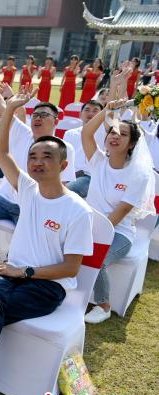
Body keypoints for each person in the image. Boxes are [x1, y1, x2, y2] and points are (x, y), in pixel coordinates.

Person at [0, 85, 93, 395]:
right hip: (11, 275)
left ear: (64, 165)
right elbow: (2, 152)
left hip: (48, 286)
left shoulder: (78, 211)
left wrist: (26, 271)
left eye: (47, 156)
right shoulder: (29, 190)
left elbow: (71, 269)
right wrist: (9, 109)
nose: (37, 162)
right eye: (33, 156)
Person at [0, 70, 78, 274]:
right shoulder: (23, 133)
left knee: (29, 241)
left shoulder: (64, 149)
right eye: (35, 114)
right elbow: (3, 109)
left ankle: (12, 264)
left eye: (44, 115)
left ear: (56, 121)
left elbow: (66, 185)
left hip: (31, 206)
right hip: (3, 199)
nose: (38, 118)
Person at [81, 102, 154, 324]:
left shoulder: (138, 174)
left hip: (118, 232)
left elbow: (120, 213)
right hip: (89, 225)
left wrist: (91, 235)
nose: (115, 136)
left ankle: (103, 305)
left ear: (131, 143)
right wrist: (107, 110)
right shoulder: (98, 162)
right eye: (112, 132)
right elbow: (86, 133)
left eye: (122, 135)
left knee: (95, 258)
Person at [63, 99, 105, 198]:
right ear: (80, 114)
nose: (90, 113)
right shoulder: (70, 133)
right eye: (87, 110)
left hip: (89, 177)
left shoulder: (105, 132)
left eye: (95, 110)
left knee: (64, 192)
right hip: (68, 175)